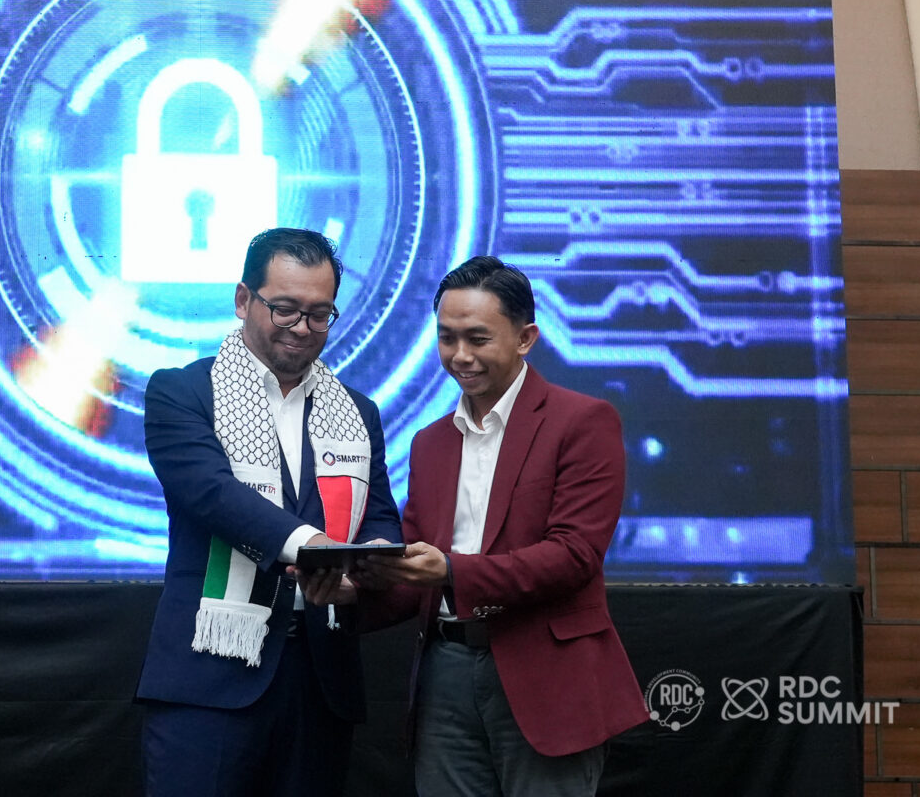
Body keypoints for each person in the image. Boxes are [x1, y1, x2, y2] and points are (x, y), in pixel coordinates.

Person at [354, 255, 648, 797]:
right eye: (446, 338)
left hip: (547, 674)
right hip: (444, 672)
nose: (459, 355)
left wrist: (449, 571)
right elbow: (418, 572)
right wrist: (357, 584)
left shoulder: (582, 421)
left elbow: (575, 556)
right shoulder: (430, 442)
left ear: (526, 338)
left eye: (478, 338)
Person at [136, 227, 403, 797]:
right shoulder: (183, 392)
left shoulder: (357, 412)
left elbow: (379, 518)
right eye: (285, 308)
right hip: (212, 674)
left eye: (319, 314)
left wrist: (368, 566)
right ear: (243, 300)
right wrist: (315, 546)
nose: (301, 327)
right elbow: (214, 496)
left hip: (321, 677)